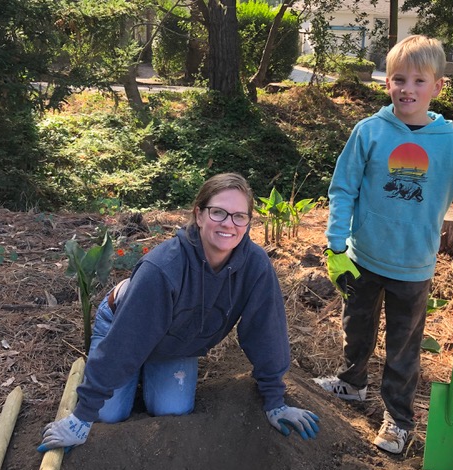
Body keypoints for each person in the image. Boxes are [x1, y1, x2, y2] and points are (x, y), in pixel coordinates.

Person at [313, 35, 453, 454]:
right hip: (363, 257)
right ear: (387, 82)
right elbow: (343, 188)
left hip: (413, 266)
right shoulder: (369, 132)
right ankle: (352, 384)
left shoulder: (449, 144)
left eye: (419, 81)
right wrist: (335, 246)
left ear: (438, 86)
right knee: (357, 328)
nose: (408, 89)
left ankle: (398, 420)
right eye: (399, 79)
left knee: (403, 349)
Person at [38, 172, 319, 452]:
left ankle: (145, 370)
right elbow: (126, 341)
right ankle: (124, 377)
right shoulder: (163, 267)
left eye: (239, 216)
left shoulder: (255, 266)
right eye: (218, 212)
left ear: (247, 222)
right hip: (123, 323)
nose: (228, 224)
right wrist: (82, 415)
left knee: (172, 410)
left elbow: (266, 331)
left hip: (177, 340)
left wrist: (275, 402)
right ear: (199, 215)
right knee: (108, 415)